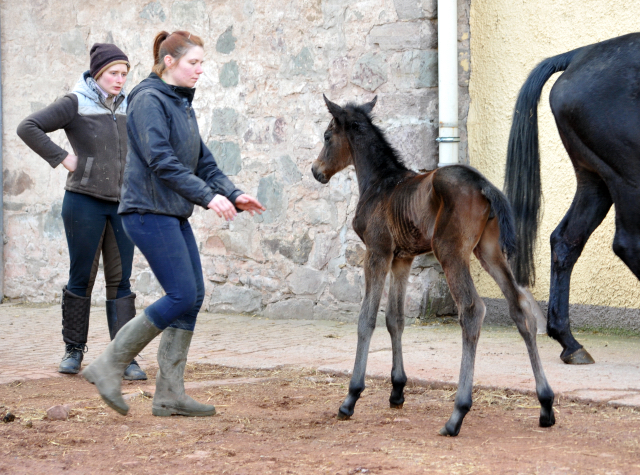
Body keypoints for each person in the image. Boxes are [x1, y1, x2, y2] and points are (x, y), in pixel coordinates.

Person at [82, 31, 265, 417]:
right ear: (169, 62)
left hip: (170, 211)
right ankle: (108, 364)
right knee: (181, 293)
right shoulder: (149, 98)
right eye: (192, 62)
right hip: (146, 211)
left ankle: (169, 394)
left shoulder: (180, 102)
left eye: (202, 63)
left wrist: (232, 193)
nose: (200, 69)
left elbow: (203, 162)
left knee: (192, 295)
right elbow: (160, 159)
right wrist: (207, 196)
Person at [17, 44, 147, 380]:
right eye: (113, 73)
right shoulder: (75, 102)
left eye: (123, 74)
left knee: (121, 281)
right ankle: (73, 350)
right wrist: (63, 157)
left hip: (123, 205)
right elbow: (28, 126)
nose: (120, 80)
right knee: (82, 277)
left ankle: (124, 356)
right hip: (83, 203)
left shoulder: (130, 104)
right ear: (97, 73)